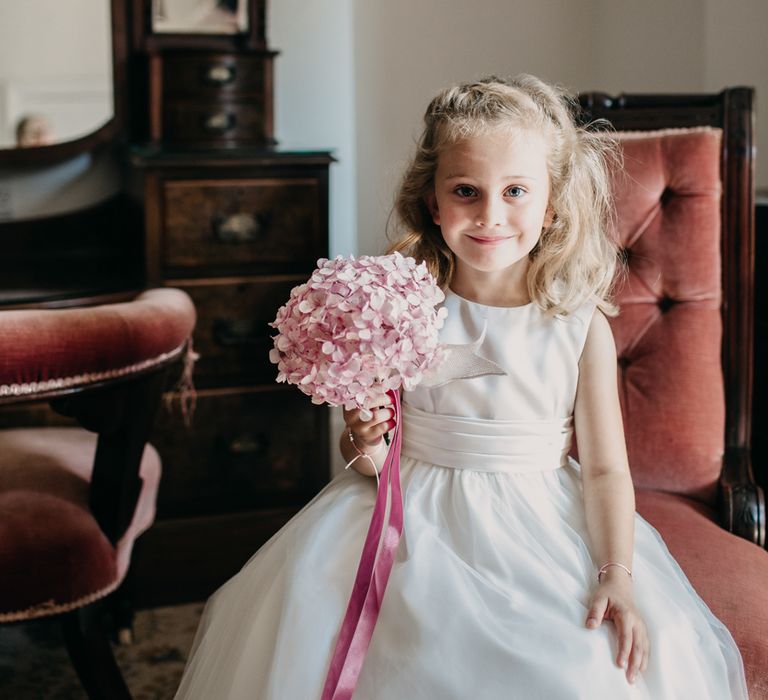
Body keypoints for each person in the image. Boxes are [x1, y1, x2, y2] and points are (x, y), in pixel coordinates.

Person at [174, 75, 748, 699]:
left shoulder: (577, 327)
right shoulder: (402, 308)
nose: (490, 216)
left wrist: (617, 573)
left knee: (575, 664)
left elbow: (607, 471)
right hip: (408, 516)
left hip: (538, 523)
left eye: (516, 192)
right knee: (363, 635)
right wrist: (365, 438)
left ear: (552, 203)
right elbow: (370, 463)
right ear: (432, 201)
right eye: (466, 192)